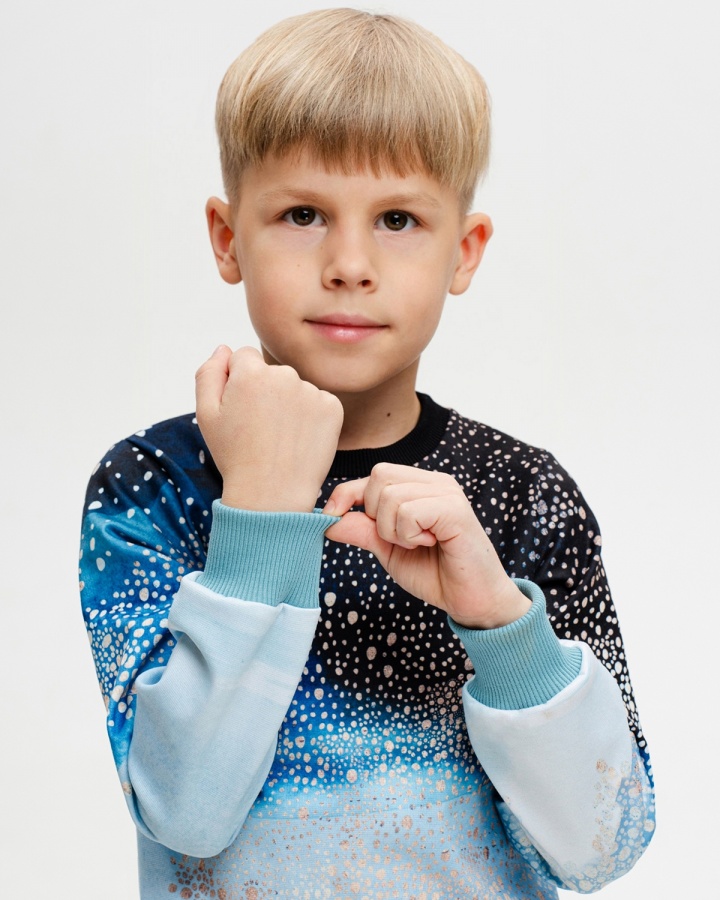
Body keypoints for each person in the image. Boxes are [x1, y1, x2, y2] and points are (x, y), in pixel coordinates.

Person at [79, 9, 655, 898]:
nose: (349, 263)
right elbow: (184, 811)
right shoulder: (152, 488)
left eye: (397, 218)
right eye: (303, 213)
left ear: (464, 252)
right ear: (228, 238)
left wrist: (501, 627)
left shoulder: (525, 493)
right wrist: (260, 515)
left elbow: (603, 848)